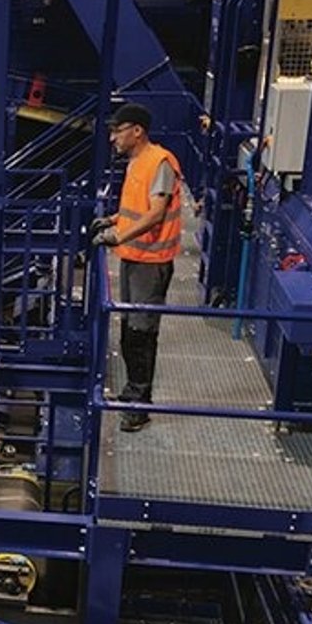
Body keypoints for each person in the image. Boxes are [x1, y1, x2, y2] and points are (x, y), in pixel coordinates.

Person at [91, 102, 183, 432]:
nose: (113, 138)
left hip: (151, 262)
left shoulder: (160, 162)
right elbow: (137, 207)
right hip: (134, 258)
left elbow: (155, 213)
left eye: (118, 131)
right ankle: (133, 392)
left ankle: (139, 405)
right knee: (130, 330)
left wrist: (117, 235)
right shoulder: (136, 161)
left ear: (137, 131)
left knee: (141, 333)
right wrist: (113, 219)